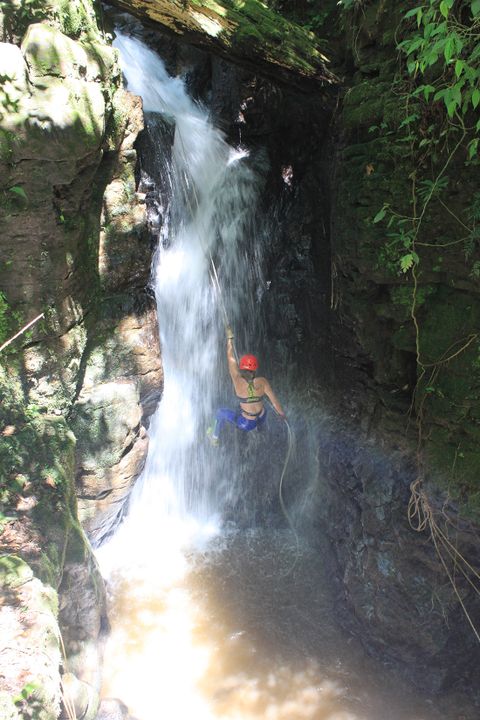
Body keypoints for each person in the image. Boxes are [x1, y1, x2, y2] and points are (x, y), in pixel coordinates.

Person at [207, 325, 286, 445]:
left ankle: (214, 438)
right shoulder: (263, 381)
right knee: (258, 406)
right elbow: (274, 401)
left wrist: (229, 339)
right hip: (262, 417)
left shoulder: (237, 380)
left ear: (241, 367)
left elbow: (230, 357)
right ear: (255, 369)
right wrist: (281, 414)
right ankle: (261, 428)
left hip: (247, 423)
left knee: (220, 413)